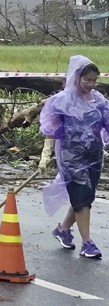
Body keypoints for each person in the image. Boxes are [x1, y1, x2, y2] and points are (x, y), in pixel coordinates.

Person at [40, 56, 109, 259]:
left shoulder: (100, 100)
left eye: (94, 80)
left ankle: (63, 229)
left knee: (86, 196)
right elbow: (50, 128)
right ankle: (87, 243)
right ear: (77, 77)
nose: (91, 84)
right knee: (81, 196)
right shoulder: (63, 100)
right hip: (71, 156)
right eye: (87, 79)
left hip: (94, 155)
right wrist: (46, 154)